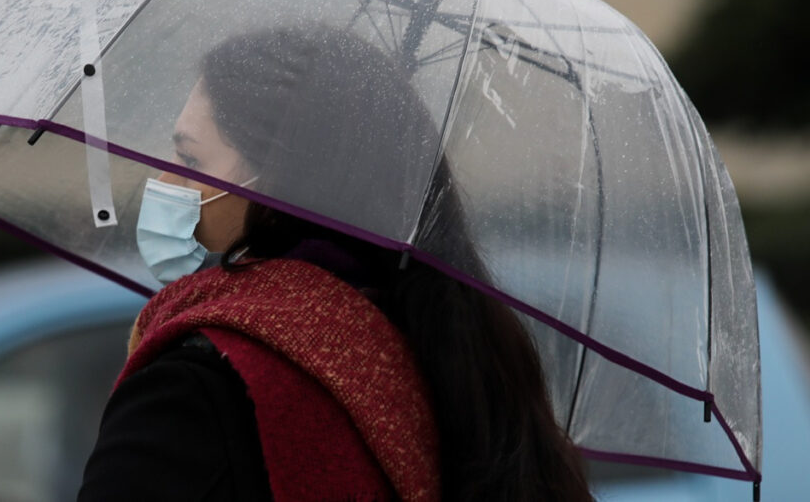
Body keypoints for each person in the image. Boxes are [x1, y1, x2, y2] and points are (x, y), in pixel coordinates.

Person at [78, 26, 594, 501]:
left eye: (190, 161)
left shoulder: (197, 389)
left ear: (281, 177)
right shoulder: (426, 355)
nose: (166, 182)